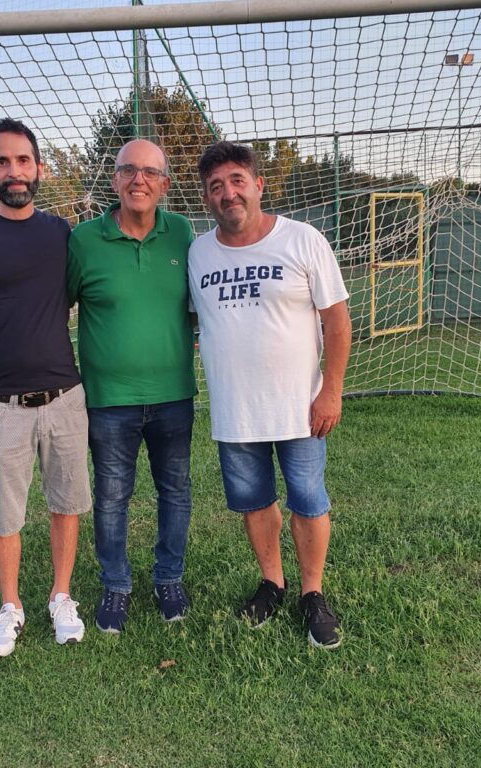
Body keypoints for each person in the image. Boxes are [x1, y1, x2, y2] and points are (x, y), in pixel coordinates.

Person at [0, 139, 196, 634]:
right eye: (128, 171)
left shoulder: (183, 233)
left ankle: (169, 579)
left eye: (150, 172)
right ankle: (115, 586)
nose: (139, 180)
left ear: (165, 182)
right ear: (114, 180)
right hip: (107, 399)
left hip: (174, 395)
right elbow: (42, 300)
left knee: (175, 492)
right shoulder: (84, 240)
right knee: (111, 497)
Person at [188, 141, 353, 649]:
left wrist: (332, 391)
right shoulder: (198, 252)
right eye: (216, 187)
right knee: (254, 503)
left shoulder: (301, 239)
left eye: (237, 180)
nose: (227, 193)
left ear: (259, 185)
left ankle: (312, 592)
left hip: (301, 408)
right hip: (236, 412)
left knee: (308, 500)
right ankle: (272, 582)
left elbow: (337, 320)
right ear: (207, 198)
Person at [0, 118, 92, 659]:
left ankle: (61, 595)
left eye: (23, 160)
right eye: (2, 162)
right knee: (5, 512)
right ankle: (10, 606)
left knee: (67, 500)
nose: (14, 171)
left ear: (39, 168)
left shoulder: (62, 233)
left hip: (64, 396)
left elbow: (89, 291)